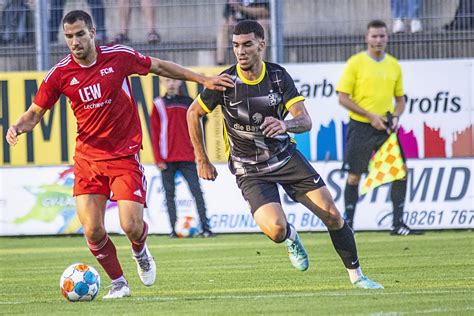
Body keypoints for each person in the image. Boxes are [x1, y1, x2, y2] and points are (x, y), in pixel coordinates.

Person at [5, 10, 232, 299]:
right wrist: (17, 127)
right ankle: (119, 282)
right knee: (93, 230)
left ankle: (140, 251)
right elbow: (35, 113)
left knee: (131, 225)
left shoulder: (118, 56)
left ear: (92, 32)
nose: (74, 42)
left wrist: (202, 78)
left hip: (124, 155)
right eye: (68, 37)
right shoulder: (60, 74)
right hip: (88, 159)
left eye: (79, 34)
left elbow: (159, 66)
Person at [187, 19, 383, 289]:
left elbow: (305, 121)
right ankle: (292, 238)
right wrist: (202, 158)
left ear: (261, 45)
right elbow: (193, 113)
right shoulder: (225, 82)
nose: (240, 51)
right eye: (235, 46)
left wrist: (285, 124)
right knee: (277, 230)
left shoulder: (278, 77)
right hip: (250, 169)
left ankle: (358, 277)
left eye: (247, 45)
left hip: (286, 159)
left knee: (332, 214)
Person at [336, 19, 421, 236]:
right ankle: (349, 226)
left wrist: (396, 116)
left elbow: (400, 100)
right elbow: (343, 98)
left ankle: (398, 224)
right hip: (361, 126)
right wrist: (368, 115)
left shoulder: (393, 64)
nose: (378, 40)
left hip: (385, 128)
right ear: (367, 38)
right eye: (374, 36)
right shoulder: (355, 63)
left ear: (387, 37)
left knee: (401, 173)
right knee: (354, 176)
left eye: (382, 36)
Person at [150, 78, 215, 238]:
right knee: (169, 195)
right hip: (167, 158)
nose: (171, 83)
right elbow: (155, 132)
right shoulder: (158, 103)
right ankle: (173, 230)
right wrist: (158, 158)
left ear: (179, 83)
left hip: (188, 156)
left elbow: (201, 121)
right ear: (163, 83)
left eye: (173, 81)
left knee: (197, 192)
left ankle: (205, 228)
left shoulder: (189, 102)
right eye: (167, 81)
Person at [216, 0, 270, 65]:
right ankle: (220, 62)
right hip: (238, 24)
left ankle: (260, 62)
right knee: (224, 26)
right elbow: (227, 15)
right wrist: (230, 19)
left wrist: (240, 8)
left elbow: (264, 12)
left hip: (255, 24)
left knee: (262, 24)